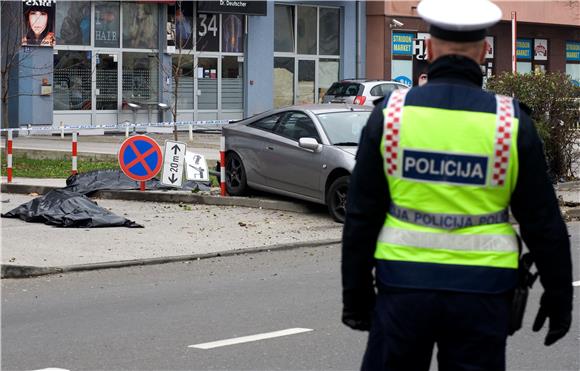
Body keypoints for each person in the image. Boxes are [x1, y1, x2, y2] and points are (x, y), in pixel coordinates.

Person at [341, 0, 573, 370]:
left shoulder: (392, 115)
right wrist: (559, 296)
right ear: (483, 52)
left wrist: (355, 295)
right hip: (484, 292)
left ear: (429, 49)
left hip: (404, 286)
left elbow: (361, 214)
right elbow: (543, 222)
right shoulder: (509, 122)